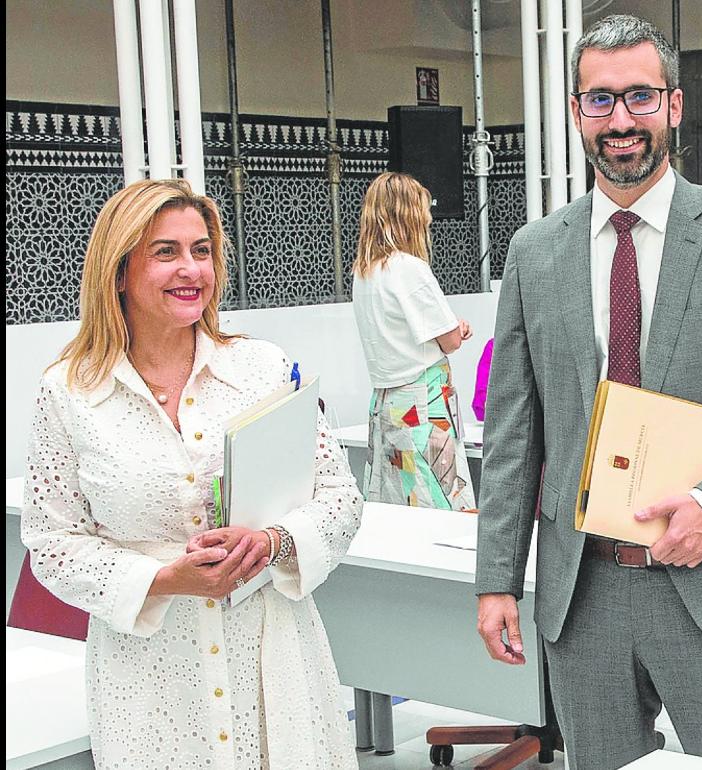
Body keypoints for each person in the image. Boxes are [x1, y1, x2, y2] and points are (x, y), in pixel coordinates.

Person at [474, 15, 702, 770]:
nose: (621, 120)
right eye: (600, 100)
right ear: (577, 112)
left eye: (640, 97)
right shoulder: (535, 253)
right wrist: (497, 581)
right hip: (587, 597)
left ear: (674, 106)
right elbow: (516, 432)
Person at [20, 179, 362, 769]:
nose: (191, 269)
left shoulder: (262, 368)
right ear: (120, 270)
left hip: (270, 652)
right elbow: (51, 545)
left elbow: (340, 496)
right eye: (166, 252)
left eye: (201, 250)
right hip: (149, 674)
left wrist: (273, 541)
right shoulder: (70, 392)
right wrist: (163, 579)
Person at [352, 171, 476, 510]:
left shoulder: (364, 273)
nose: (429, 218)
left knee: (399, 506)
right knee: (442, 504)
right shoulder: (408, 268)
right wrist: (459, 329)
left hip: (387, 403)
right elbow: (449, 340)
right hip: (423, 402)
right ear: (408, 216)